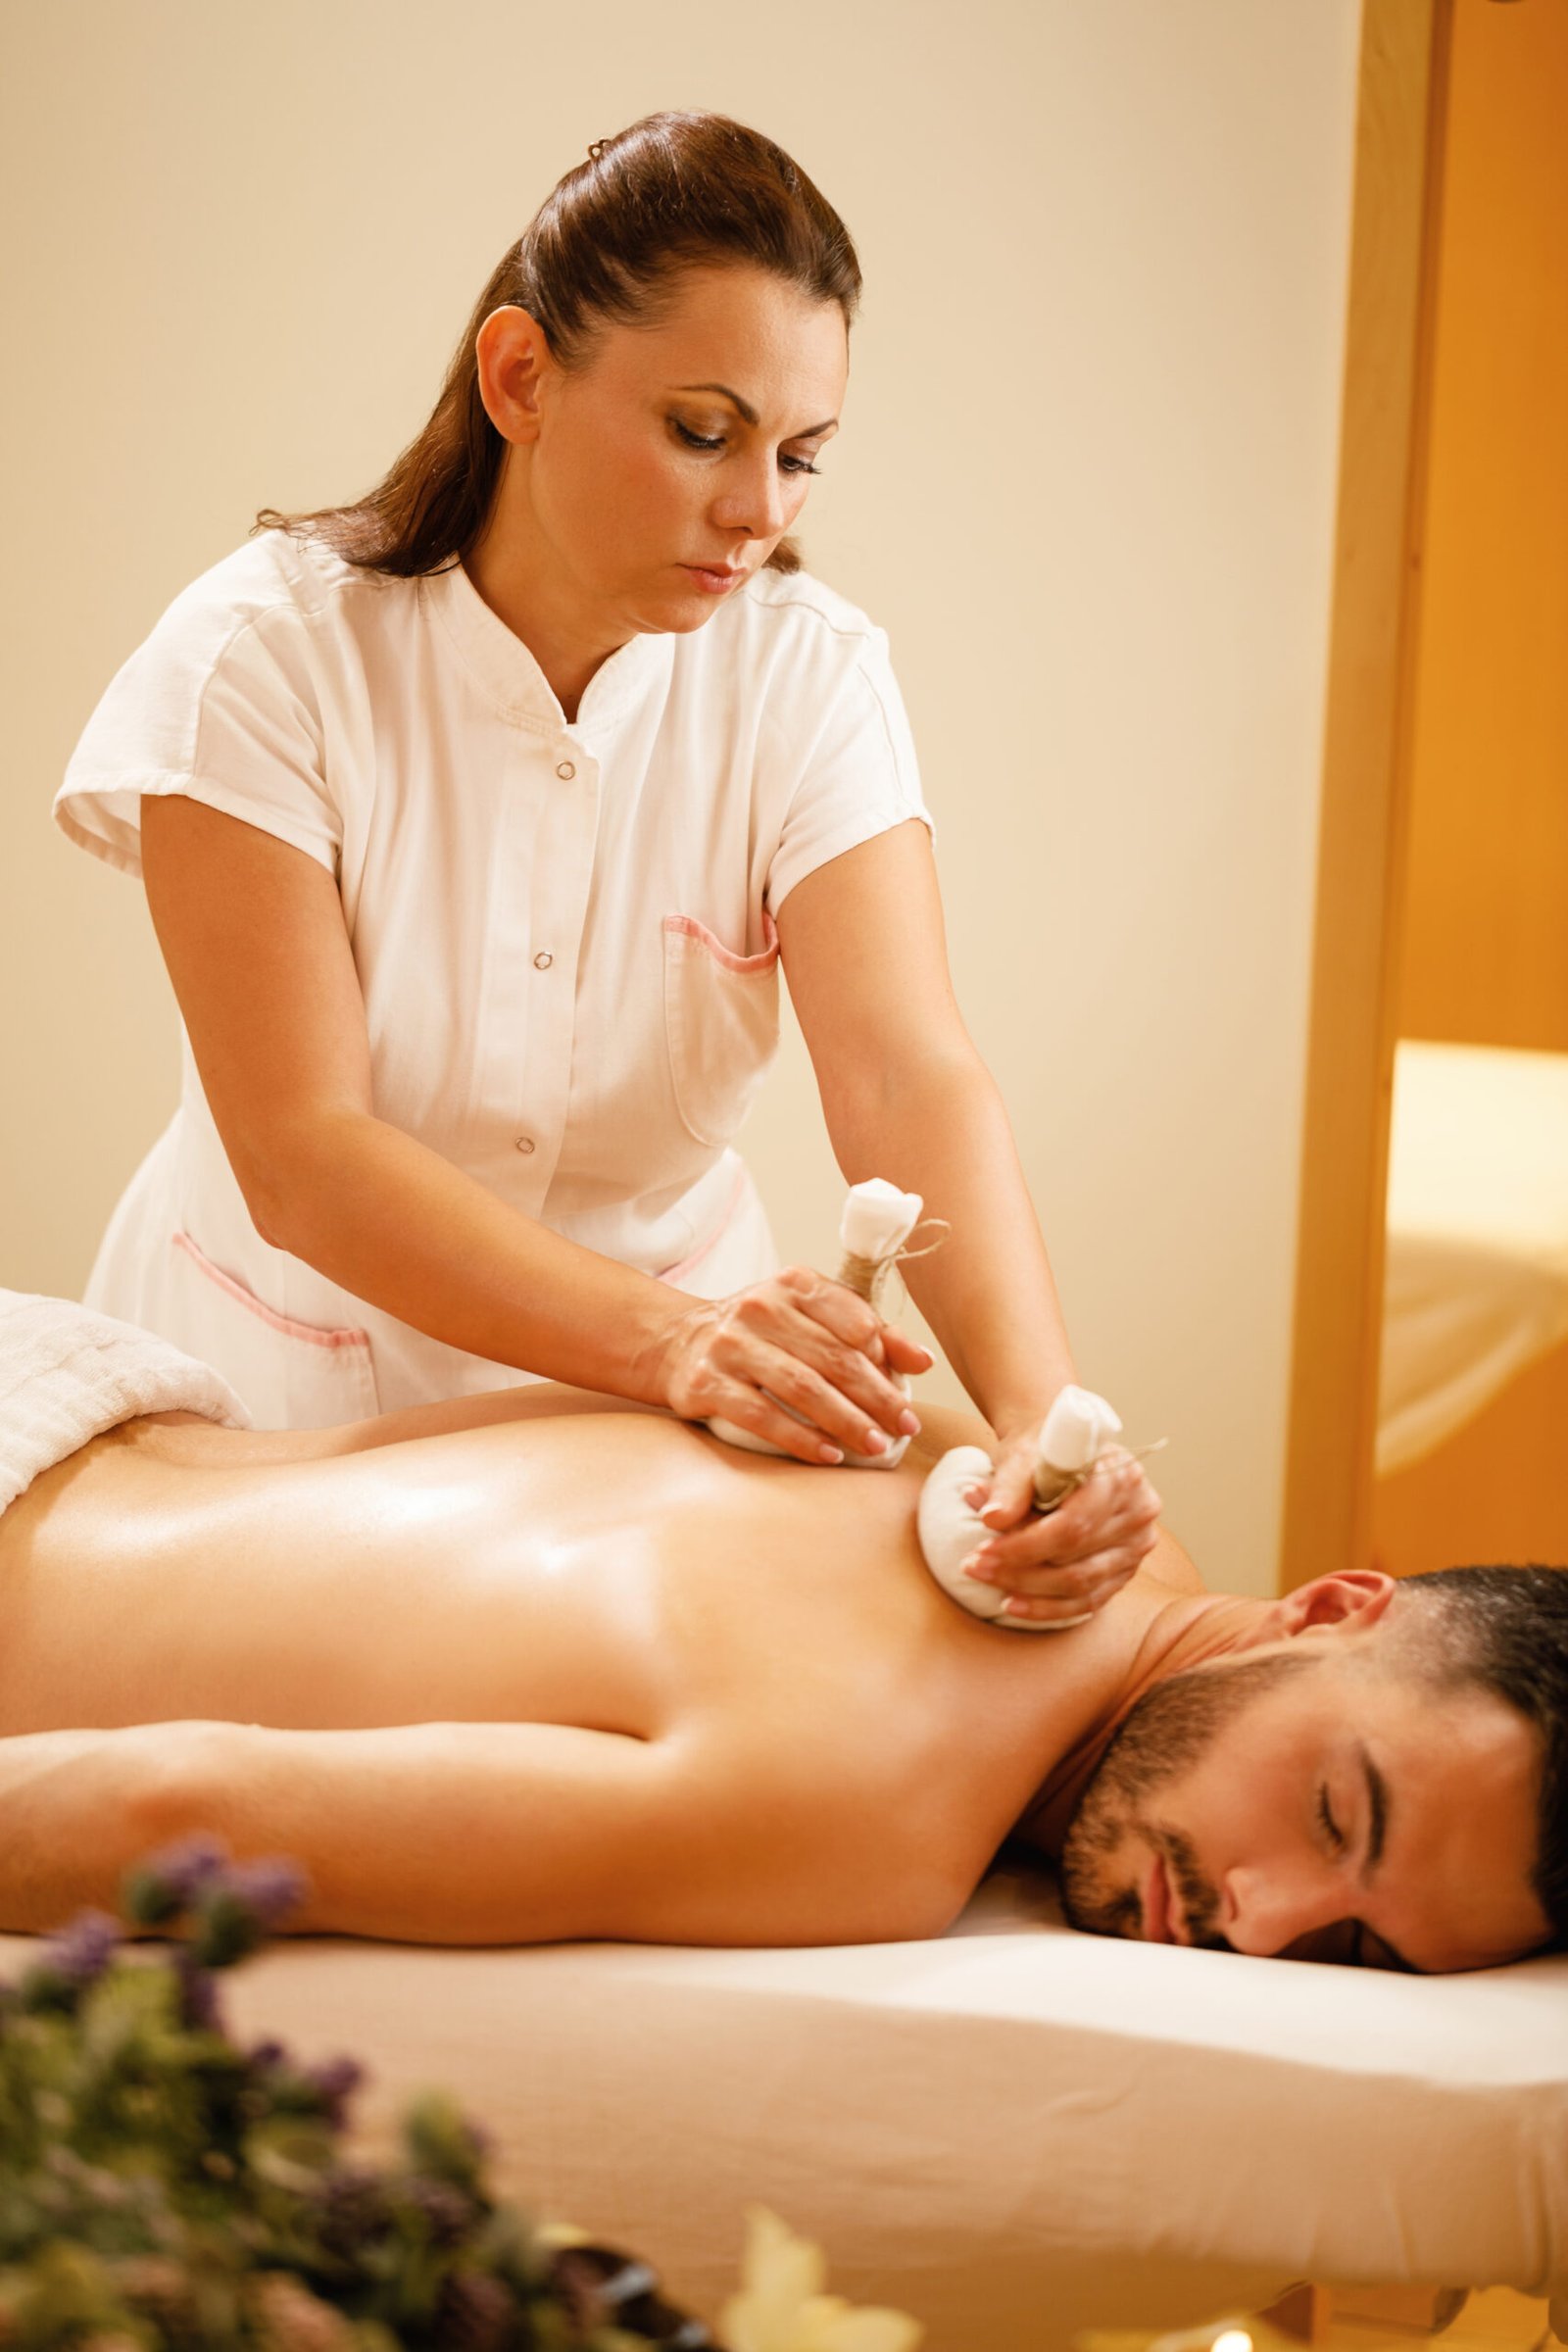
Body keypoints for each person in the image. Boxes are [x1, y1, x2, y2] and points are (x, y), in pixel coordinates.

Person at [51, 110, 1156, 1612]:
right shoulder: (265, 659)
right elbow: (305, 1158)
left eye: (801, 455)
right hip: (286, 1401)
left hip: (665, 1433)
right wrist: (677, 1342)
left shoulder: (807, 680)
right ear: (522, 377)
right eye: (703, 432)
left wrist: (1039, 1423)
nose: (759, 510)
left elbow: (906, 1078)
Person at [0, 1331, 1559, 1973]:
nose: (1261, 1926)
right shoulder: (872, 1814)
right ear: (1332, 1608)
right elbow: (173, 1817)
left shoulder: (1049, 1491)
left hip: (86, 1393)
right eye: (1336, 1817)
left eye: (1357, 1954)